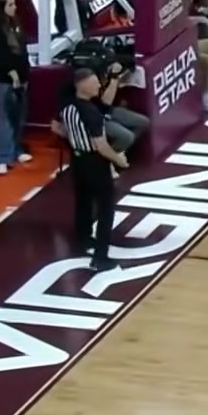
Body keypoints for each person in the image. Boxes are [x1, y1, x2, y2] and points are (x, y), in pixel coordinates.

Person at [58, 66, 128, 272]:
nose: (98, 85)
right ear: (82, 85)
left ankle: (83, 239)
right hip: (94, 162)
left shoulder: (67, 104)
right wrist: (119, 160)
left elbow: (58, 128)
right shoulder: (91, 112)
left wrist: (75, 140)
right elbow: (101, 146)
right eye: (95, 82)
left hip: (77, 159)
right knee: (106, 208)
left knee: (84, 201)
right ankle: (100, 257)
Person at [0, 0, 34, 173]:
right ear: (1, 8)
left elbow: (23, 50)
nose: (15, 7)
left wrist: (25, 72)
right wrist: (11, 73)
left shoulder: (16, 24)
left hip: (23, 75)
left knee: (19, 116)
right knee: (5, 118)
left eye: (14, 4)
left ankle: (16, 150)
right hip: (4, 79)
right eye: (10, 5)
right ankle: (3, 157)